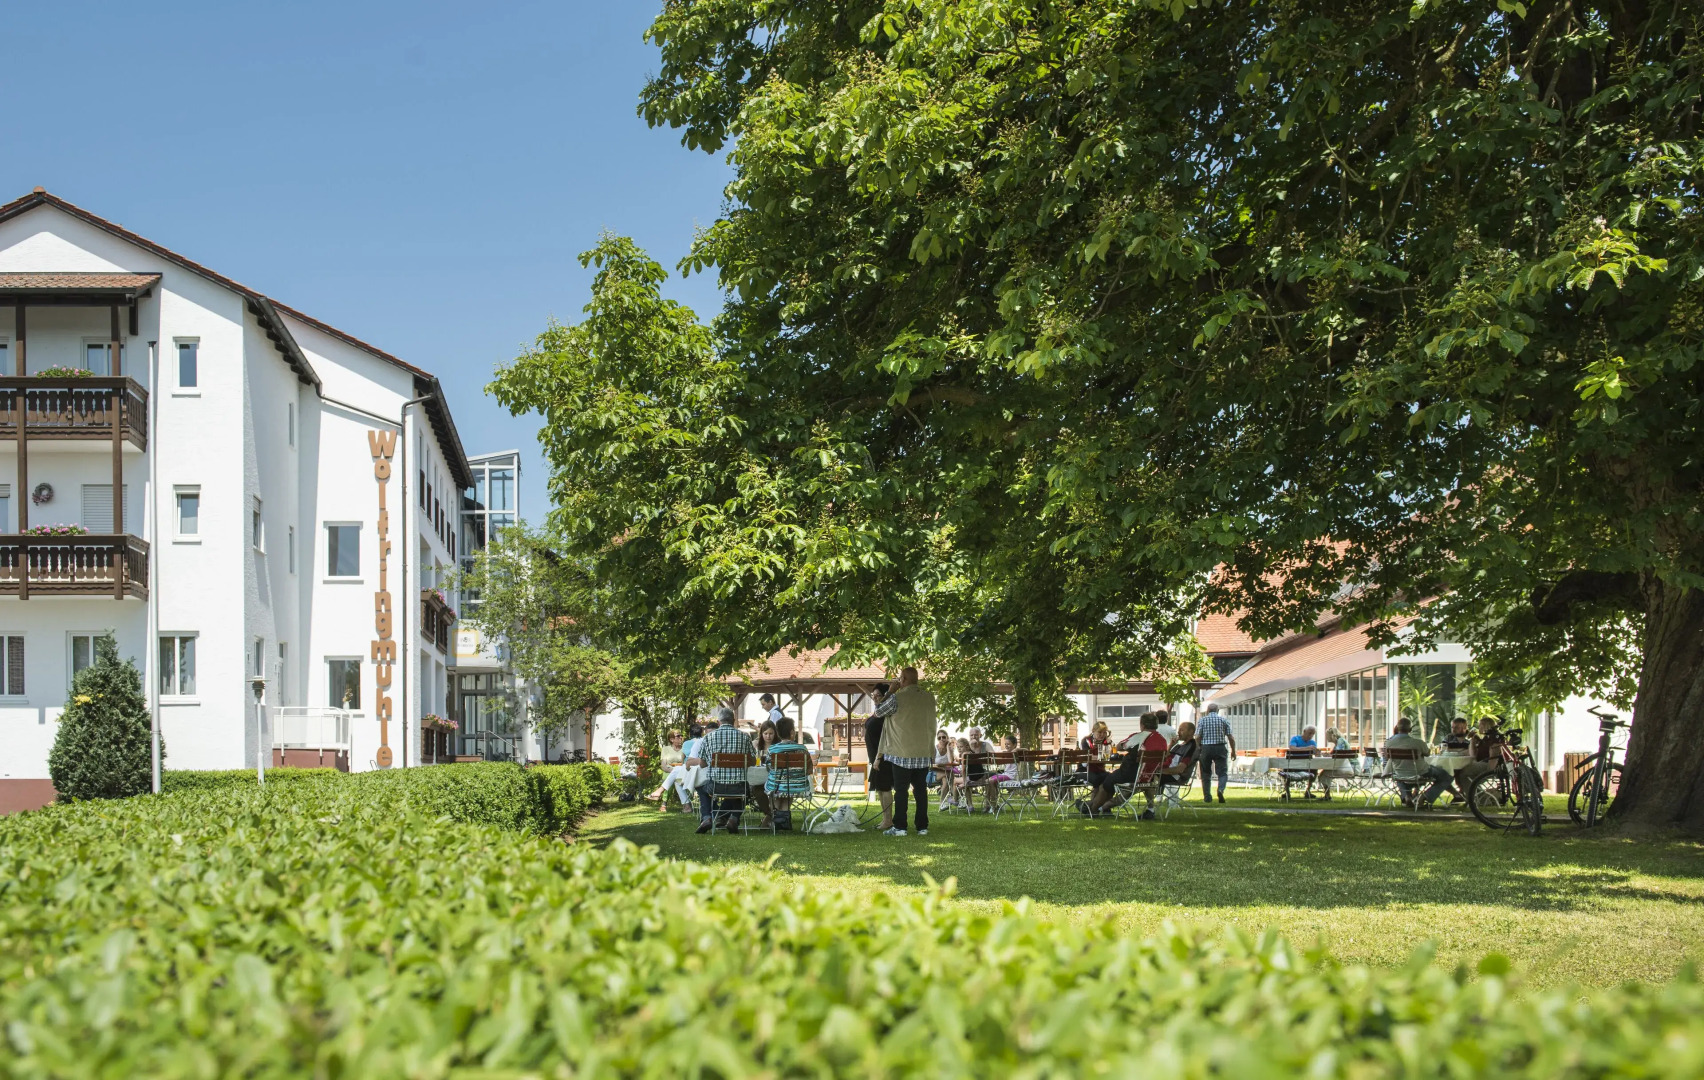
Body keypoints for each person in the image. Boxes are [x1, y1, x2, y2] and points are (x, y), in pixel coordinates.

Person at [879, 667, 937, 836]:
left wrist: (890, 691)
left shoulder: (897, 697)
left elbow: (879, 711)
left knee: (901, 791)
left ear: (903, 679)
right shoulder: (929, 697)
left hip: (901, 752)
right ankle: (922, 827)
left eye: (900, 678)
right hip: (923, 751)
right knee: (921, 791)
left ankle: (900, 827)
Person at [1082, 712, 1168, 819]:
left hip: (1129, 773)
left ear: (1142, 725)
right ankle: (1099, 807)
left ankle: (1093, 809)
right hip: (1148, 777)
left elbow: (1119, 747)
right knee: (1110, 780)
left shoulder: (1138, 737)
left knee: (1106, 783)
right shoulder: (1162, 740)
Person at [694, 706, 767, 833]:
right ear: (733, 721)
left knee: (701, 787)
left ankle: (706, 817)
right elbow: (751, 761)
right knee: (745, 789)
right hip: (738, 786)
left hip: (715, 786)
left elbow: (702, 764)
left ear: (719, 722)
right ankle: (733, 818)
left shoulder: (708, 737)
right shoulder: (745, 737)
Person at [1385, 717, 1454, 808]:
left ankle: (1407, 796)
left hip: (1399, 772)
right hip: (1420, 772)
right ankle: (1424, 797)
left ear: (1397, 728)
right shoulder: (1418, 743)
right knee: (1446, 776)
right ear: (1410, 729)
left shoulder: (1388, 743)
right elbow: (1428, 754)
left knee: (1401, 777)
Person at [763, 716, 814, 830]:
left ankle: (777, 819)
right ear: (792, 732)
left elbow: (769, 767)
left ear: (777, 733)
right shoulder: (802, 749)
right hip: (798, 785)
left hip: (777, 786)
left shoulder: (772, 749)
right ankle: (784, 821)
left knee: (776, 787)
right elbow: (809, 769)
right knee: (788, 787)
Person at [865, 682, 897, 832]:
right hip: (875, 758)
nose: (875, 698)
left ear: (885, 696)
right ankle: (885, 819)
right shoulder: (878, 711)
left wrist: (879, 757)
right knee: (880, 788)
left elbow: (886, 738)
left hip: (883, 757)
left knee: (885, 788)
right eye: (873, 695)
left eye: (878, 695)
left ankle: (888, 820)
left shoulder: (885, 714)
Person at [1195, 703, 1236, 804]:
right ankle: (1220, 789)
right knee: (1222, 772)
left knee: (1205, 773)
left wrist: (1198, 748)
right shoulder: (1223, 720)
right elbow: (1231, 737)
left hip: (1206, 748)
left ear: (1207, 711)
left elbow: (1198, 736)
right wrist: (1233, 751)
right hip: (1220, 747)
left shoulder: (1202, 720)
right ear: (1217, 711)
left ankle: (1207, 797)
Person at [645, 730, 692, 809]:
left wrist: (676, 771)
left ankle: (662, 800)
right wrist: (672, 771)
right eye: (678, 736)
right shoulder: (666, 749)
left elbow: (685, 763)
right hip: (669, 770)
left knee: (675, 777)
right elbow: (663, 765)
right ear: (671, 739)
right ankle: (667, 802)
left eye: (681, 736)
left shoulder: (684, 748)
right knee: (671, 776)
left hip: (682, 771)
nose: (681, 737)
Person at [1158, 720, 1200, 802]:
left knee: (1150, 778)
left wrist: (1160, 771)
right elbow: (1164, 758)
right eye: (1178, 730)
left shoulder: (1191, 747)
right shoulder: (1178, 746)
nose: (1178, 732)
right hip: (1166, 772)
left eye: (1182, 730)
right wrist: (1171, 745)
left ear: (1191, 732)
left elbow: (1180, 769)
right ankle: (1153, 802)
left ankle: (1151, 804)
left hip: (1176, 776)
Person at [981, 733, 1022, 813]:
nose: (1006, 746)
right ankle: (988, 804)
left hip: (1011, 776)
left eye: (1008, 744)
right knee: (987, 781)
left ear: (1014, 745)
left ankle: (993, 805)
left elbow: (1026, 750)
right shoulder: (1005, 753)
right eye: (1005, 744)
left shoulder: (1016, 753)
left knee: (991, 781)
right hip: (1005, 774)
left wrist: (1016, 749)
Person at [932, 730, 958, 808]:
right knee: (950, 775)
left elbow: (950, 761)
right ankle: (956, 799)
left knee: (946, 780)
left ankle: (942, 804)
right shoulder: (934, 749)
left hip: (946, 773)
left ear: (947, 738)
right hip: (934, 773)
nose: (941, 739)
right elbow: (931, 765)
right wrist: (940, 767)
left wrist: (948, 748)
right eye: (939, 738)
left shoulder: (950, 748)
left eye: (943, 737)